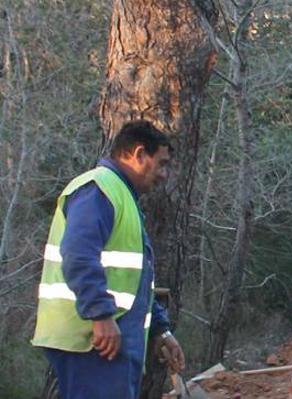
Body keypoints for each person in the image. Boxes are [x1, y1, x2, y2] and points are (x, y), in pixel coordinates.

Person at [32, 120, 184, 398]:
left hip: (105, 337)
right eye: (161, 164)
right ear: (139, 154)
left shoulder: (120, 196)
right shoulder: (99, 189)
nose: (164, 175)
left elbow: (133, 280)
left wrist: (161, 330)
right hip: (93, 340)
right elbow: (78, 254)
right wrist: (101, 315)